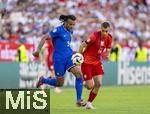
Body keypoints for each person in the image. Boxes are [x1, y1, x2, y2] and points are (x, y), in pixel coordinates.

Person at [33, 14, 86, 106]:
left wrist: (73, 52)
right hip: (59, 59)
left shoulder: (71, 31)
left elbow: (66, 44)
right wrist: (38, 50)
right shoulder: (58, 30)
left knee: (79, 74)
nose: (72, 26)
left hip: (69, 57)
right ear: (65, 22)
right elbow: (44, 37)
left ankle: (79, 100)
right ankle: (43, 80)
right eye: (70, 24)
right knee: (59, 83)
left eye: (73, 24)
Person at [78, 22, 112, 109]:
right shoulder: (94, 36)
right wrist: (79, 56)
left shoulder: (109, 37)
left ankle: (89, 104)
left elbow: (108, 49)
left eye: (106, 31)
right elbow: (82, 45)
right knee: (90, 86)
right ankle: (81, 82)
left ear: (109, 30)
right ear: (100, 29)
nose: (104, 33)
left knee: (99, 83)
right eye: (103, 31)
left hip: (97, 62)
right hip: (87, 62)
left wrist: (108, 55)